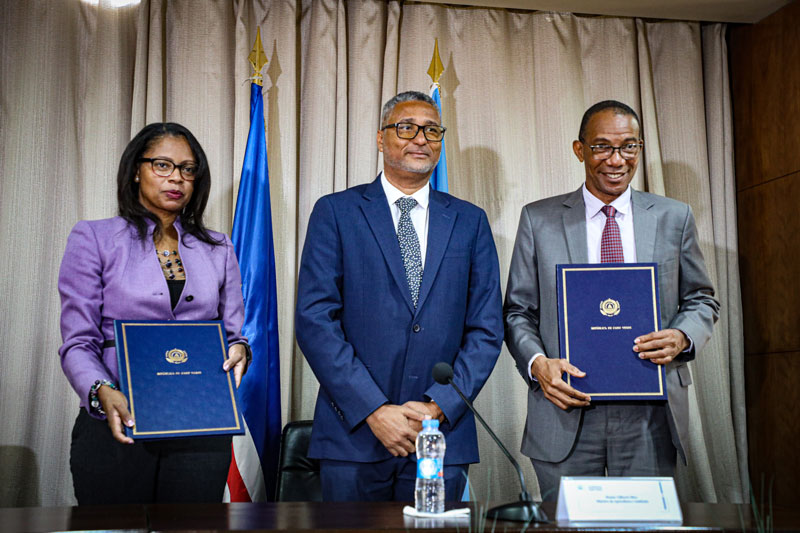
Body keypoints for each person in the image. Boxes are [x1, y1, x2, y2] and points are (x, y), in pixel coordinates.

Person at [503, 100, 720, 501]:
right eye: (602, 146)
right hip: (565, 410)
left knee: (643, 529)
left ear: (639, 149)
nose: (616, 160)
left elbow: (702, 299)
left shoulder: (675, 217)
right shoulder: (539, 219)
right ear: (579, 149)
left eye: (628, 147)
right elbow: (518, 311)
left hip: (649, 415)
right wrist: (538, 365)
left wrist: (682, 336)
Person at [295, 91, 503, 502]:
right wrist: (374, 410)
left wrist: (437, 406)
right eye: (406, 127)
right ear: (380, 138)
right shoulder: (336, 212)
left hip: (441, 433)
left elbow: (486, 327)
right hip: (354, 434)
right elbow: (315, 319)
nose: (420, 139)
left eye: (432, 130)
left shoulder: (469, 221)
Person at [58, 122, 251, 504]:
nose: (176, 178)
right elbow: (78, 342)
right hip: (119, 420)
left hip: (200, 423)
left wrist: (240, 350)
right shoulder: (93, 238)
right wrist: (101, 391)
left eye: (187, 168)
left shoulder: (218, 247)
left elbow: (233, 333)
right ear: (136, 170)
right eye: (162, 165)